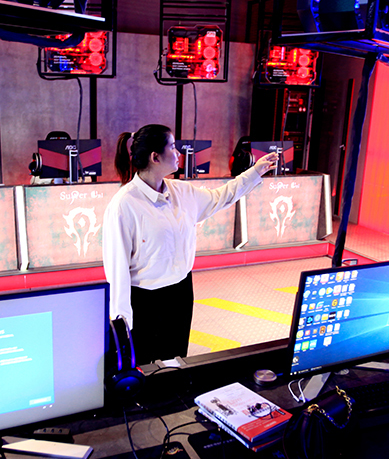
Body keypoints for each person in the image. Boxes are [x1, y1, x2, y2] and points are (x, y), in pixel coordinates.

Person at [102, 124, 277, 363]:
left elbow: (222, 197)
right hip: (144, 301)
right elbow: (117, 268)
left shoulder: (183, 192)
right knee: (145, 366)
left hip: (181, 293)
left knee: (176, 361)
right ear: (155, 157)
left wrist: (255, 172)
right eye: (173, 147)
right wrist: (121, 320)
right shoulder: (124, 204)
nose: (178, 153)